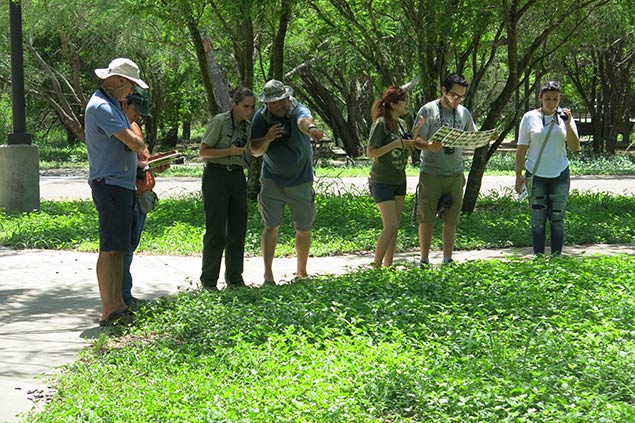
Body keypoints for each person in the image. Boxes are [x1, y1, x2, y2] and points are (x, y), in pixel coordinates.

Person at [85, 58, 148, 326]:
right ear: (120, 80)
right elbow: (134, 142)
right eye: (131, 85)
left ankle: (118, 305)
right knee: (110, 249)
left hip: (119, 186)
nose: (131, 93)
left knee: (118, 248)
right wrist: (137, 143)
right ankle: (109, 308)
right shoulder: (101, 106)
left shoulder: (112, 105)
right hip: (110, 185)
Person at [250, 80, 324, 284]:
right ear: (267, 104)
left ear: (287, 98)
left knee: (304, 228)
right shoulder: (261, 117)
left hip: (300, 179)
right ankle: (268, 274)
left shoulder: (298, 109)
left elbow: (304, 120)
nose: (279, 106)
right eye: (274, 103)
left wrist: (312, 129)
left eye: (281, 101)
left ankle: (301, 272)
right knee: (271, 226)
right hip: (272, 180)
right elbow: (255, 151)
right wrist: (267, 138)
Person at [413, 73, 476, 266]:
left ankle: (447, 258)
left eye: (461, 96)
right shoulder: (428, 110)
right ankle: (424, 259)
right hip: (431, 172)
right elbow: (415, 140)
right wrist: (428, 145)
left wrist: (481, 139)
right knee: (427, 217)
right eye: (454, 95)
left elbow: (471, 137)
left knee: (451, 218)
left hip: (455, 172)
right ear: (443, 91)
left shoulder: (464, 113)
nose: (457, 100)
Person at [515, 80, 581, 255]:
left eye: (556, 99)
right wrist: (518, 175)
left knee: (557, 218)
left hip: (559, 174)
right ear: (540, 98)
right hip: (536, 175)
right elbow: (521, 148)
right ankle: (538, 260)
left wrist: (567, 124)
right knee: (538, 220)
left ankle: (556, 258)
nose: (552, 103)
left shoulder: (565, 117)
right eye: (548, 99)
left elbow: (575, 147)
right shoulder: (529, 117)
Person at [199, 87, 256, 290]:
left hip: (237, 176)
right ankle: (209, 281)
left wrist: (266, 139)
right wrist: (228, 151)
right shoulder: (220, 121)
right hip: (216, 175)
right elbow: (203, 152)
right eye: (245, 107)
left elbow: (253, 150)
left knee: (238, 229)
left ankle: (235, 278)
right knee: (216, 231)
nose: (249, 111)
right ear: (235, 105)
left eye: (252, 107)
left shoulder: (247, 127)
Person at [120, 87, 167, 306]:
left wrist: (154, 165)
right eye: (136, 111)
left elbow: (141, 157)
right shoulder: (118, 127)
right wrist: (145, 165)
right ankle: (123, 297)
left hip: (142, 192)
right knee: (124, 250)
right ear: (124, 105)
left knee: (130, 247)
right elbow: (126, 162)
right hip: (127, 193)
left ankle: (125, 295)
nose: (138, 116)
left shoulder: (134, 126)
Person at [367, 87, 421, 268]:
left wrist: (416, 132)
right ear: (393, 103)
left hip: (399, 180)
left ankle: (388, 265)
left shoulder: (402, 124)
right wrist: (395, 144)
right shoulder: (381, 123)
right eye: (403, 101)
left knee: (395, 226)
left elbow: (407, 147)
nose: (406, 104)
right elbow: (370, 153)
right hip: (381, 181)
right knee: (390, 225)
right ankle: (375, 266)